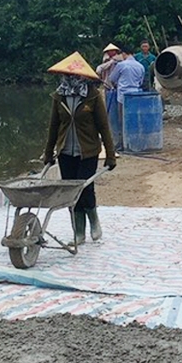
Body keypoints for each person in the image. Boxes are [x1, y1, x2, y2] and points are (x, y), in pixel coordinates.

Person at [44, 51, 117, 245]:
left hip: (88, 151)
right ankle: (78, 233)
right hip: (66, 152)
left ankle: (94, 221)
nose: (70, 78)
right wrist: (48, 153)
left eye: (74, 75)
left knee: (85, 189)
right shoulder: (59, 96)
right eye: (67, 75)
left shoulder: (92, 96)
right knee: (70, 192)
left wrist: (110, 155)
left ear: (82, 75)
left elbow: (103, 126)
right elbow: (53, 126)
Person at [108, 45, 145, 153]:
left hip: (123, 96)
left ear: (124, 54)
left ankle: (124, 145)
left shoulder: (121, 65)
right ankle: (136, 143)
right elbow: (141, 82)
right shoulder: (140, 66)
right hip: (136, 94)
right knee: (135, 120)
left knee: (122, 121)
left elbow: (112, 78)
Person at [96, 43, 123, 151]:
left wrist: (110, 62)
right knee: (109, 115)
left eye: (112, 51)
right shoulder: (107, 60)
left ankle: (117, 141)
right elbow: (99, 70)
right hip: (108, 88)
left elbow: (99, 69)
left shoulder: (118, 60)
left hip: (116, 89)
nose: (111, 53)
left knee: (115, 115)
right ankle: (112, 139)